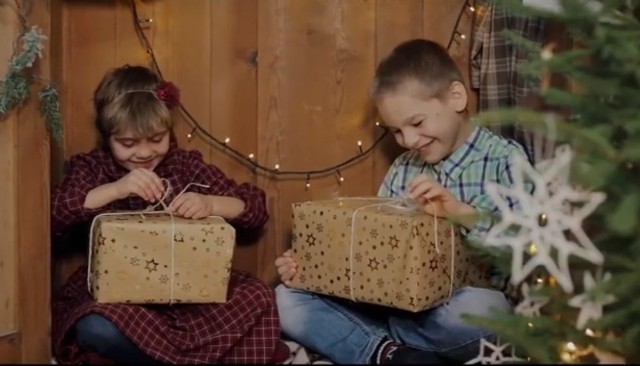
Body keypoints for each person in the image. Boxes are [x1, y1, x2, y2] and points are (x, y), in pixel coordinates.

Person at [275, 39, 530, 364]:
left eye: (417, 123)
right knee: (286, 298)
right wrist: (311, 267)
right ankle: (391, 354)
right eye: (396, 131)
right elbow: (373, 247)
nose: (409, 140)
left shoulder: (505, 160)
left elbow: (528, 250)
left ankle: (367, 341)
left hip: (452, 311)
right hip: (391, 304)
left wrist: (459, 213)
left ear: (456, 97)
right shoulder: (405, 167)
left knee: (487, 311)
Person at [51, 65, 288, 364]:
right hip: (124, 299)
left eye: (156, 138)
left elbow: (254, 209)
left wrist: (210, 204)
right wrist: (115, 190)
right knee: (95, 328)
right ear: (107, 136)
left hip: (189, 297)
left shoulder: (184, 165)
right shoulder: (93, 168)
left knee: (259, 296)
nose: (144, 153)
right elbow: (56, 211)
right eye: (128, 143)